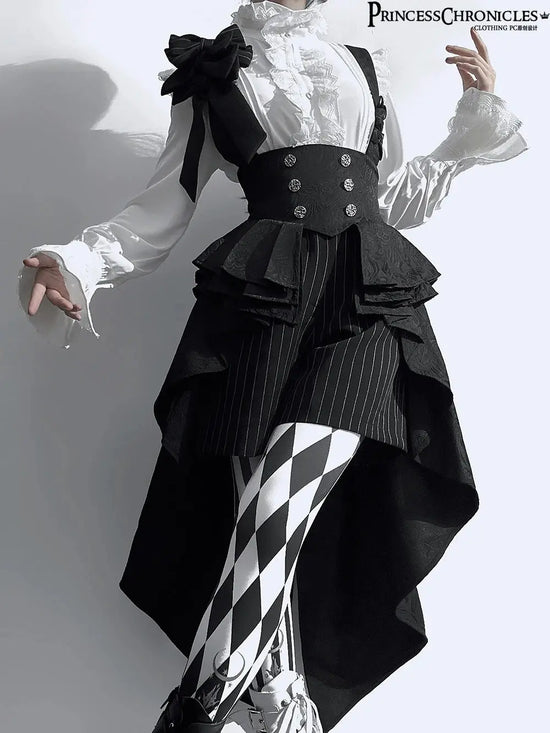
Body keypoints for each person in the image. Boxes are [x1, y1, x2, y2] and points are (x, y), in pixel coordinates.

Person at [17, 1, 529, 732]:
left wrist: (469, 127)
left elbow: (389, 199)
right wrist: (79, 261)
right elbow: (163, 205)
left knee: (275, 503)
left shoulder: (363, 67)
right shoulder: (212, 73)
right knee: (257, 521)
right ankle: (279, 701)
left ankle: (195, 708)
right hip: (262, 304)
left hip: (364, 300)